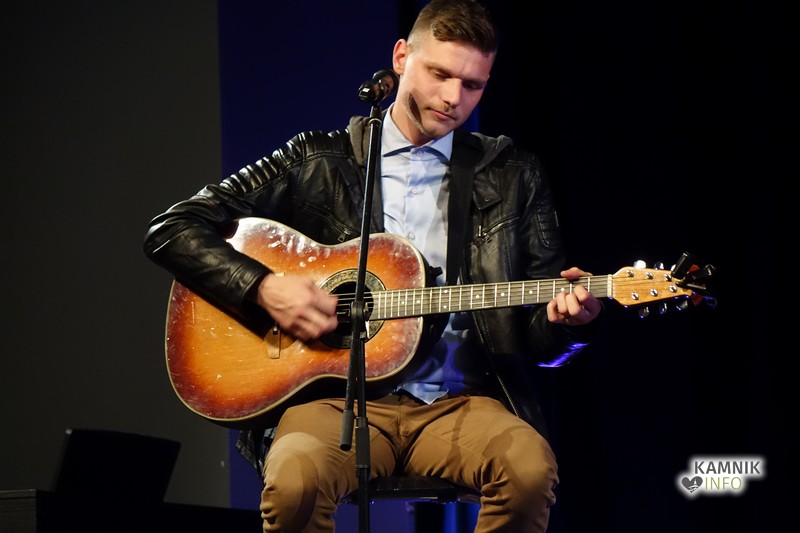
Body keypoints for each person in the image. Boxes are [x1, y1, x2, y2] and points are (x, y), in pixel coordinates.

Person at [143, 0, 604, 531]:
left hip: (459, 401)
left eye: (473, 85)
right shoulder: (318, 160)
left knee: (528, 471)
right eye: (440, 74)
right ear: (401, 57)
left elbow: (537, 335)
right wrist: (263, 288)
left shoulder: (514, 175)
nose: (454, 98)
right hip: (335, 402)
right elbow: (171, 229)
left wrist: (568, 324)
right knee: (294, 483)